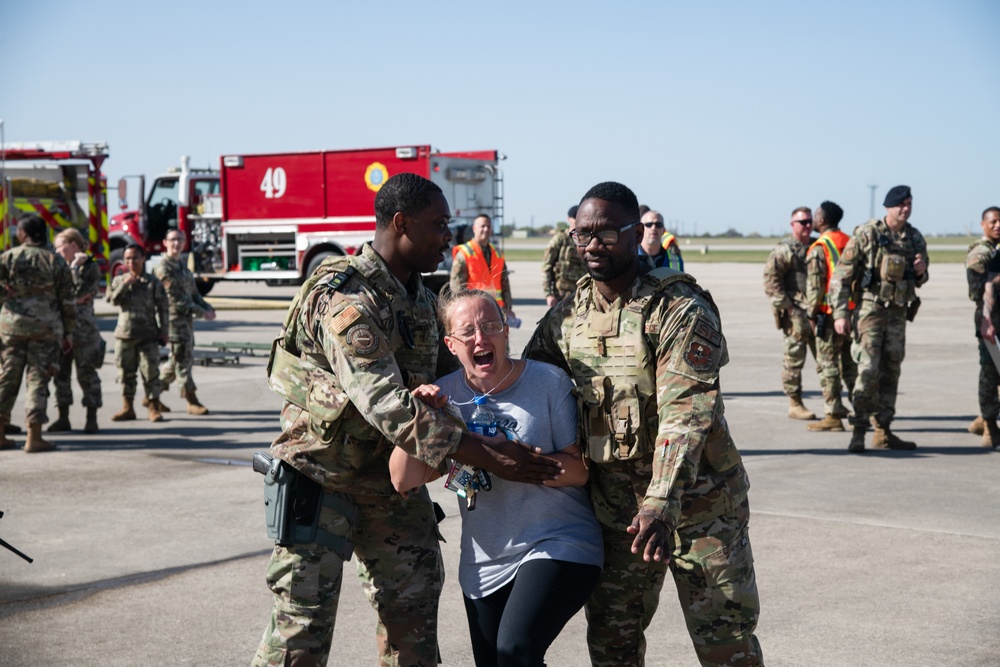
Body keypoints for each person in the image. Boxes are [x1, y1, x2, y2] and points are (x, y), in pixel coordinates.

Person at [251, 173, 562, 667]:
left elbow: (457, 374)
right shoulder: (346, 299)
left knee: (414, 617)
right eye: (439, 224)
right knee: (301, 632)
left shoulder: (418, 296)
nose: (448, 236)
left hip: (391, 483)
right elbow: (388, 402)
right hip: (321, 477)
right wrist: (488, 455)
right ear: (401, 223)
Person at [525, 182, 763, 667]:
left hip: (700, 508)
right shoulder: (567, 316)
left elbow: (686, 413)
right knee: (612, 646)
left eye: (608, 233)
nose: (593, 246)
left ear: (636, 234)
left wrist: (660, 502)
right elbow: (527, 384)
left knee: (726, 645)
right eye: (582, 234)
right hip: (617, 517)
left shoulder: (678, 308)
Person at [390, 288, 603, 667]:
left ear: (506, 332)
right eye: (467, 331)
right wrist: (421, 416)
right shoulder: (445, 396)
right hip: (484, 562)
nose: (480, 338)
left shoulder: (548, 383)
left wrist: (520, 467)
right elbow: (403, 479)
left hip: (558, 542)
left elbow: (579, 470)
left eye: (490, 326)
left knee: (516, 650)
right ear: (451, 345)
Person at [830, 185, 928, 453]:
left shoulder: (915, 238)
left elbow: (921, 277)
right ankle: (859, 430)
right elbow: (842, 275)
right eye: (900, 204)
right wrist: (840, 313)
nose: (905, 208)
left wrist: (921, 271)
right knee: (868, 369)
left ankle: (883, 431)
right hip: (870, 310)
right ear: (888, 207)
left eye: (909, 203)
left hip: (898, 313)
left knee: (892, 370)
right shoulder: (868, 233)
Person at [0, 214, 75, 453]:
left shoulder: (9, 257)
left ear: (23, 233)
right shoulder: (56, 261)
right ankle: (34, 437)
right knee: (37, 380)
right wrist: (69, 332)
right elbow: (68, 301)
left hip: (11, 328)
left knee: (7, 379)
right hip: (46, 329)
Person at [804, 201, 858, 432]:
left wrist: (811, 313)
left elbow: (815, 287)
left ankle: (833, 415)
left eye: (816, 215)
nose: (813, 220)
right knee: (851, 365)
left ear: (823, 220)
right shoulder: (850, 241)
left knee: (828, 366)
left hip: (828, 316)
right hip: (852, 313)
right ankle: (862, 411)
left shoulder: (820, 247)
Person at [763, 207, 819, 420]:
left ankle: (834, 405)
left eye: (809, 221)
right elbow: (771, 281)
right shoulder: (785, 250)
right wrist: (789, 308)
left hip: (819, 312)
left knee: (827, 360)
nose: (806, 225)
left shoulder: (818, 245)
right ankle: (795, 403)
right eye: (802, 222)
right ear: (792, 224)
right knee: (794, 360)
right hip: (796, 314)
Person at [153, 229, 217, 415]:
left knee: (177, 360)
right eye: (172, 240)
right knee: (183, 360)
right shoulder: (164, 268)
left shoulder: (182, 266)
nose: (176, 244)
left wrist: (207, 307)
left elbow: (194, 294)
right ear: (165, 242)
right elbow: (177, 301)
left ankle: (152, 395)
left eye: (179, 240)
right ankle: (191, 400)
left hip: (186, 321)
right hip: (173, 321)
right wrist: (203, 313)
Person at [48, 228, 105, 434]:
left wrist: (74, 269)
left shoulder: (90, 267)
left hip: (83, 330)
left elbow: (80, 293)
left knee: (86, 373)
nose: (56, 251)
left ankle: (91, 418)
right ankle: (63, 418)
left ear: (73, 245)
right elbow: (57, 296)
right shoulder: (58, 267)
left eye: (60, 246)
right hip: (61, 328)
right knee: (60, 374)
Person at [105, 244, 169, 423]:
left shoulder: (153, 282)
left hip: (148, 334)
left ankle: (153, 407)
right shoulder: (120, 280)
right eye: (127, 259)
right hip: (125, 334)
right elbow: (113, 300)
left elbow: (163, 308)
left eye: (135, 258)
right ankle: (127, 407)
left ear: (143, 259)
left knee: (151, 373)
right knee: (125, 373)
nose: (131, 262)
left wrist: (164, 332)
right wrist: (125, 285)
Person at [965, 206, 1000, 448]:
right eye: (993, 222)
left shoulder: (996, 250)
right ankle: (989, 427)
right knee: (990, 374)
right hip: (989, 320)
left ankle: (982, 419)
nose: (998, 226)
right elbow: (978, 290)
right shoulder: (980, 253)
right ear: (983, 224)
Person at [450, 213, 517, 320]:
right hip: (474, 313)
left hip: (496, 312)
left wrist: (508, 308)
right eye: (483, 226)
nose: (486, 229)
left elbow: (505, 283)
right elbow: (456, 288)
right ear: (474, 229)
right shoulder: (464, 254)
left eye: (489, 226)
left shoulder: (497, 253)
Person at [542, 205, 587, 307]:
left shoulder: (587, 240)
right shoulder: (560, 240)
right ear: (569, 219)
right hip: (561, 296)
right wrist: (548, 294)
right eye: (575, 218)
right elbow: (546, 268)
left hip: (584, 295)